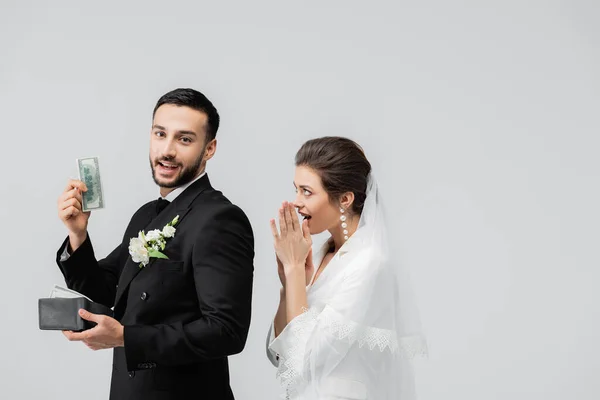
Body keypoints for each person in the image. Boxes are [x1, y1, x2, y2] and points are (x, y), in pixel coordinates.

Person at [55, 88, 254, 400]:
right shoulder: (147, 214)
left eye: (184, 139)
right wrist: (78, 235)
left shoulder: (221, 219)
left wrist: (126, 338)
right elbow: (108, 289)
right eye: (161, 134)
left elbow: (226, 331)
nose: (168, 150)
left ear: (209, 148)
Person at [266, 136, 427, 399]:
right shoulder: (318, 254)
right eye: (296, 189)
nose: (296, 202)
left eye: (306, 191)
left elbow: (304, 363)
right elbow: (277, 354)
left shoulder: (370, 264)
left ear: (345, 199)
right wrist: (289, 283)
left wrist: (295, 270)